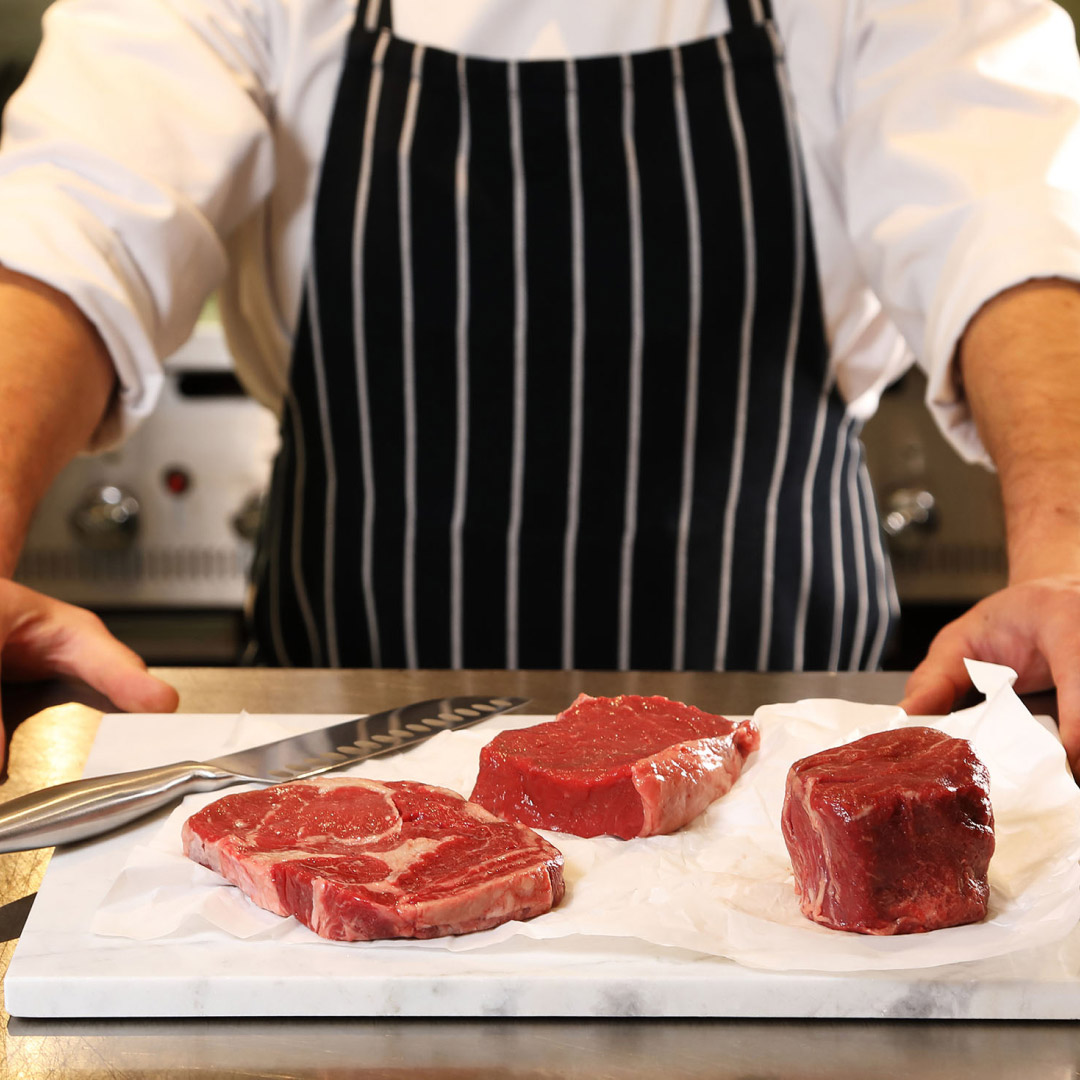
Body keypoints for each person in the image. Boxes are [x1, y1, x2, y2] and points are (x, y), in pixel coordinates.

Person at [2, 1, 1080, 766]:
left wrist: (1069, 564)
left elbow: (1012, 209)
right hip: (348, 777)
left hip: (784, 750)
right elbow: (78, 212)